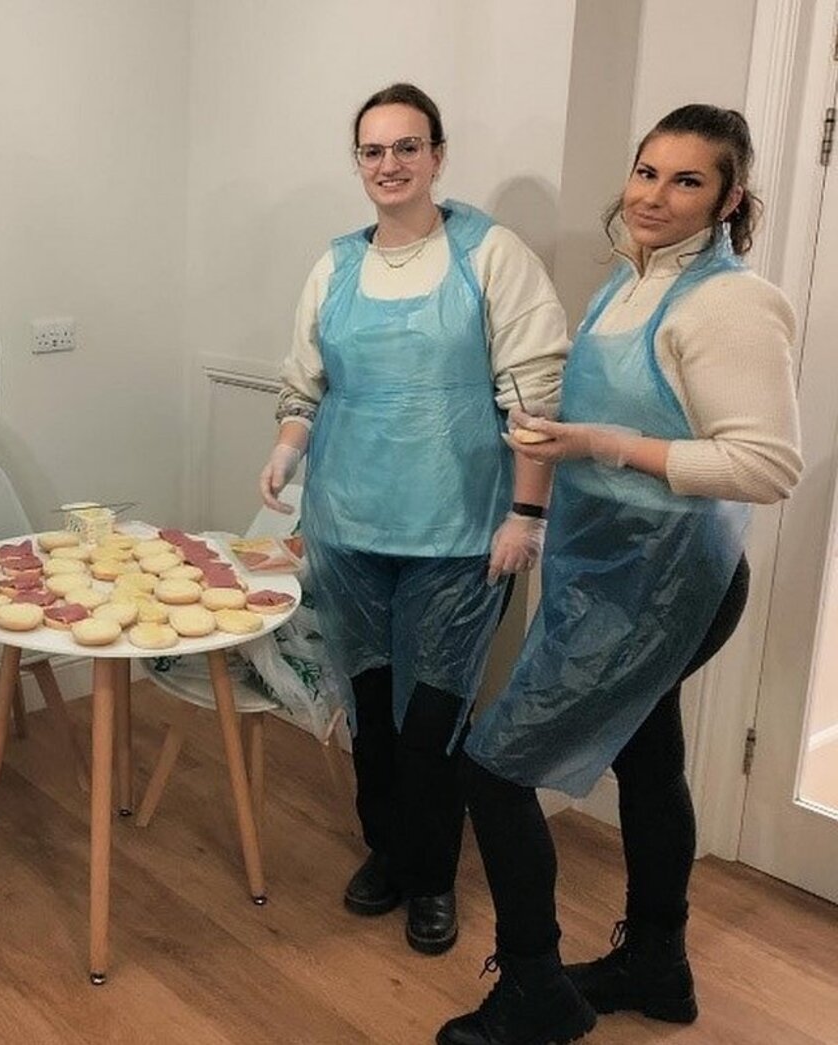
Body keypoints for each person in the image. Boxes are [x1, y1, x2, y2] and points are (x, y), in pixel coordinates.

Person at [440, 105, 803, 1045]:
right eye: (646, 172)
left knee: (492, 763)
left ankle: (535, 991)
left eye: (687, 181)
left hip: (667, 579)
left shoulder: (729, 303)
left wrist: (602, 443)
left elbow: (768, 466)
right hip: (606, 564)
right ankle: (657, 965)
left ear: (729, 199)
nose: (654, 195)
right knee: (649, 762)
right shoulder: (627, 282)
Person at [260, 83, 568, 956]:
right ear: (356, 162)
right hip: (348, 525)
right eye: (372, 151)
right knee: (369, 709)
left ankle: (433, 876)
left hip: (461, 534)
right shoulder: (335, 266)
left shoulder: (491, 256)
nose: (388, 165)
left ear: (437, 154)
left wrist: (527, 513)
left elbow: (536, 395)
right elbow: (304, 384)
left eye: (406, 147)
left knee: (432, 721)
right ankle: (389, 852)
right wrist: (288, 447)